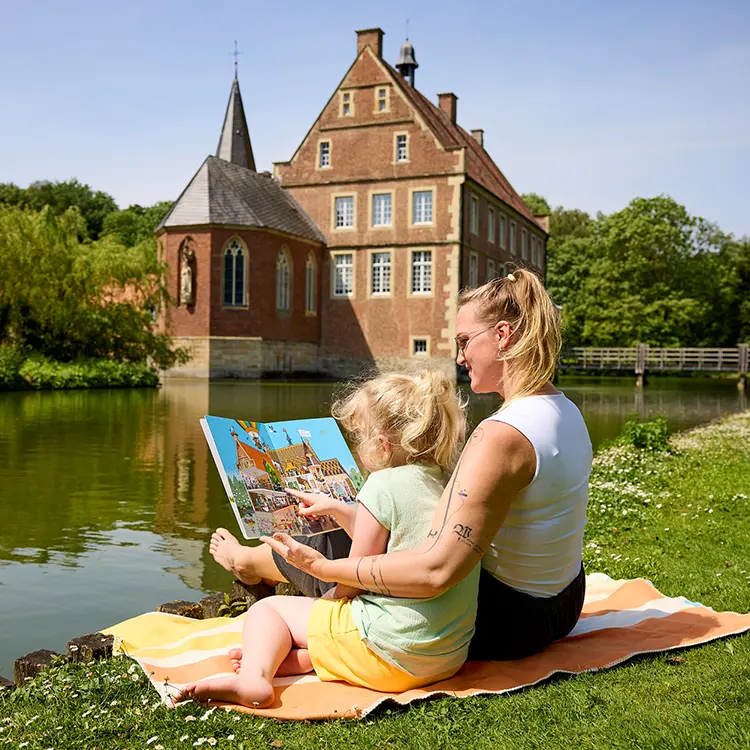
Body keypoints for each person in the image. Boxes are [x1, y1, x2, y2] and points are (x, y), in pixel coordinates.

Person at [213, 268, 593, 661]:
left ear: (502, 335)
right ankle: (253, 564)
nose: (460, 357)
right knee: (356, 515)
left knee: (329, 541)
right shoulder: (566, 411)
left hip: (506, 625)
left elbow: (435, 573)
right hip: (563, 606)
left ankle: (248, 563)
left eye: (465, 341)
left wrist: (328, 570)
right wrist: (348, 511)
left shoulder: (500, 435)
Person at [179, 369, 475, 707]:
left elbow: (355, 580)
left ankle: (253, 680)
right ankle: (305, 657)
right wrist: (339, 508)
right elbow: (397, 541)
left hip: (392, 653)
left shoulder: (382, 485)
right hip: (445, 657)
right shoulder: (447, 484)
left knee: (270, 611)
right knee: (308, 626)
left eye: (359, 436)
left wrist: (318, 610)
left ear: (382, 443)